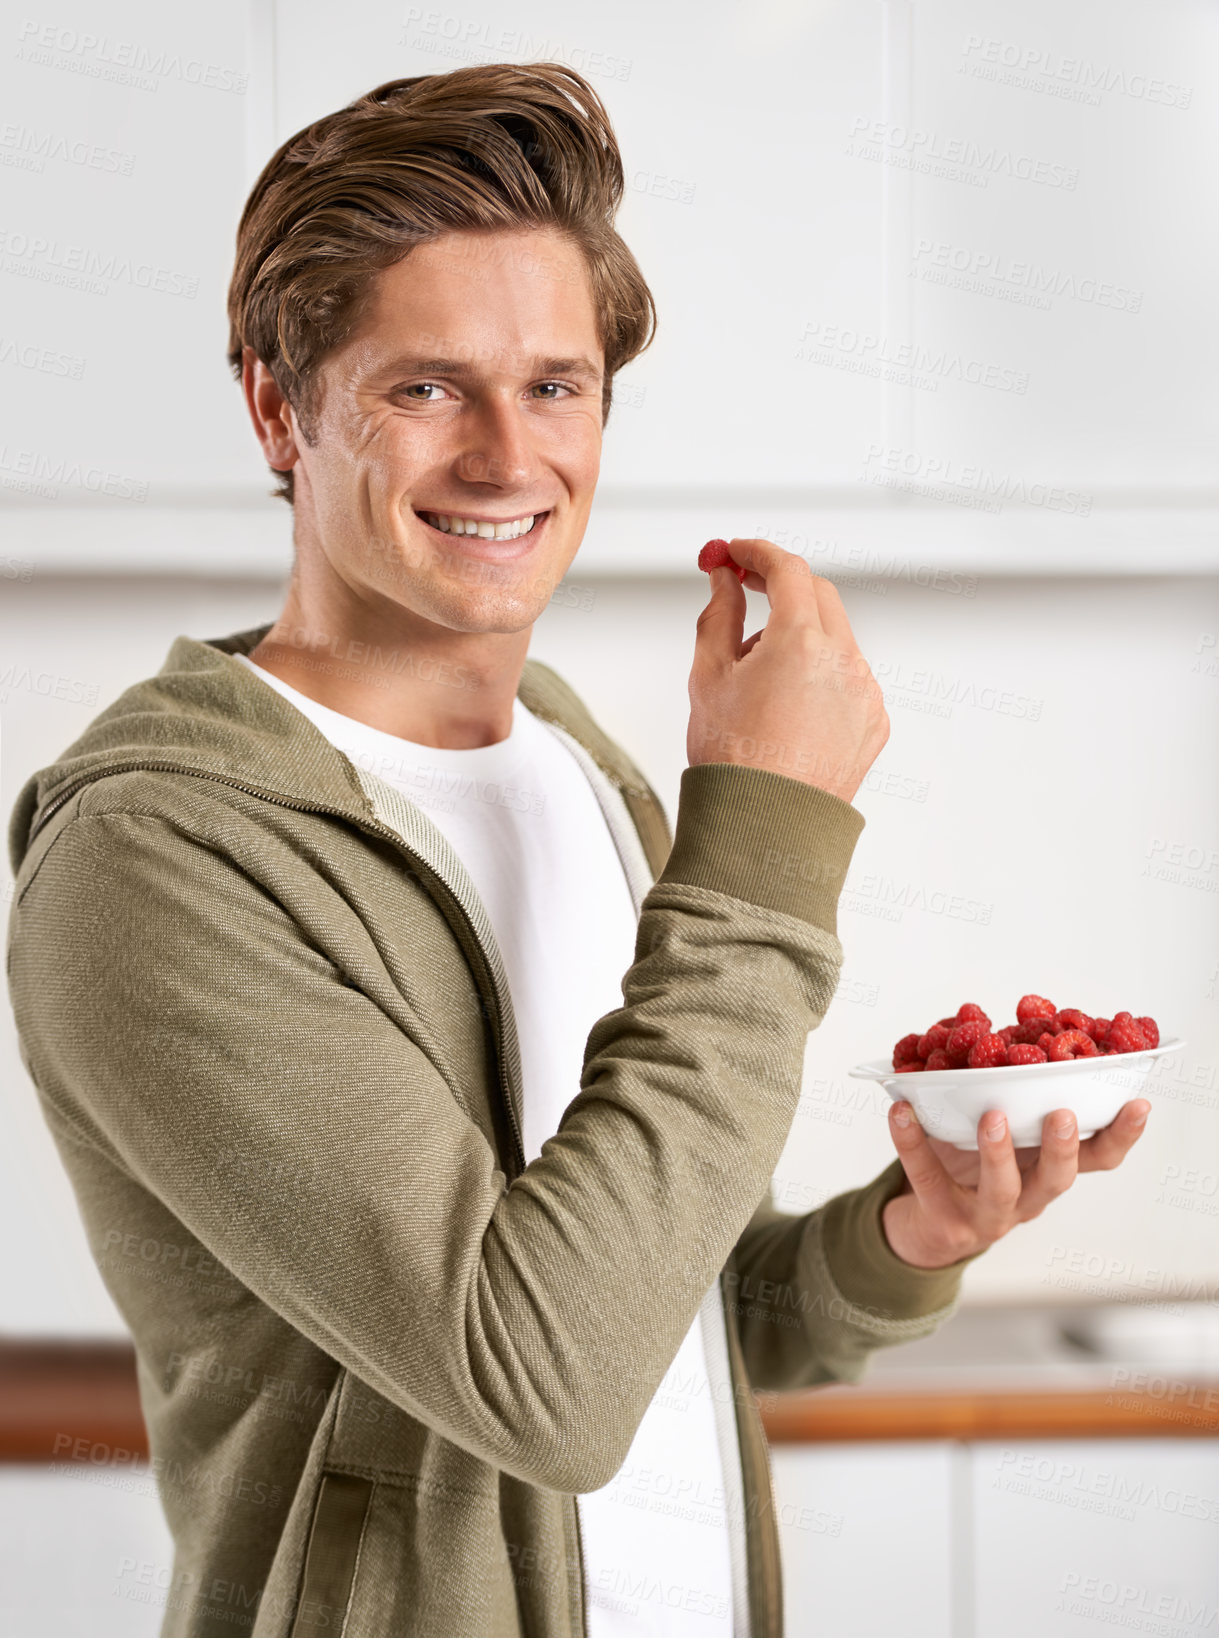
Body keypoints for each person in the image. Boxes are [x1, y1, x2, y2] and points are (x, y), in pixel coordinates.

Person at [5, 62, 1149, 1638]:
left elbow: (663, 1298)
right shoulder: (157, 859)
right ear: (280, 404)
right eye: (425, 387)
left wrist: (909, 1233)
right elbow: (537, 1378)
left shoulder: (576, 766)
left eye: (555, 385)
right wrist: (765, 838)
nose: (504, 456)